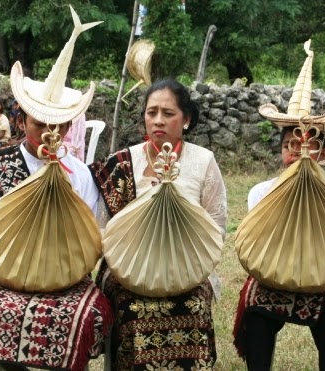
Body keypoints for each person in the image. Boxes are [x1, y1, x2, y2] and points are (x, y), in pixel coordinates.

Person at [0, 6, 112, 371]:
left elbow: (95, 233)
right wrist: (1, 245)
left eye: (58, 124)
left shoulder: (78, 173)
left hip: (64, 280)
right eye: (39, 122)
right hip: (1, 276)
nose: (49, 133)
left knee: (89, 315)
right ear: (20, 119)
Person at [233, 40, 325, 371]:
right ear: (281, 151)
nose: (298, 153)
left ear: (323, 154)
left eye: (308, 146)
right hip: (274, 276)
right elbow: (257, 246)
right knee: (256, 311)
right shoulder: (262, 192)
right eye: (290, 145)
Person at [89, 78, 227, 370]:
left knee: (195, 305)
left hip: (188, 267)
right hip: (128, 269)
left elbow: (216, 225)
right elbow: (102, 229)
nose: (158, 120)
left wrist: (186, 262)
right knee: (132, 309)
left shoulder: (203, 162)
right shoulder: (123, 163)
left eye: (168, 113)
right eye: (152, 113)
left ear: (186, 119)